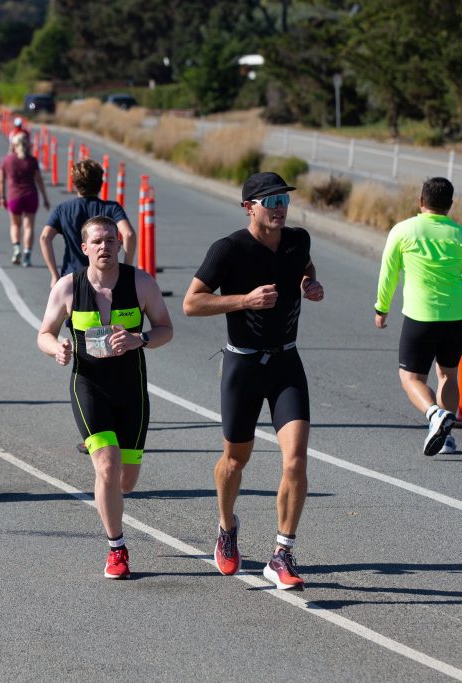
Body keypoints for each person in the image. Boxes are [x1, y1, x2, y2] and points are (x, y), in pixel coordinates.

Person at [182, 171, 324, 591]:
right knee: (234, 462)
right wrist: (245, 300)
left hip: (286, 363)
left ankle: (282, 552)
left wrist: (307, 282)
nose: (279, 207)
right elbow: (191, 303)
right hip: (243, 366)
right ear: (250, 207)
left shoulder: (299, 240)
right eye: (270, 200)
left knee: (296, 458)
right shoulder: (228, 249)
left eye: (283, 199)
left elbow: (304, 265)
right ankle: (227, 527)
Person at [37, 217, 174, 578]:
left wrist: (139, 339)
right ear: (84, 248)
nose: (104, 247)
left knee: (126, 480)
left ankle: (111, 497)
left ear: (119, 244)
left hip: (131, 388)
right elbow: (44, 333)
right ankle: (117, 549)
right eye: (96, 241)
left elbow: (165, 329)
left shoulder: (140, 283)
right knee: (107, 466)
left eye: (110, 240)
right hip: (89, 385)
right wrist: (57, 349)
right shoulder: (68, 288)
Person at [374, 177, 462, 455]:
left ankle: (435, 414)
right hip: (456, 318)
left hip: (420, 317)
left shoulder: (404, 230)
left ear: (421, 202)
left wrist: (381, 307)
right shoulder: (459, 235)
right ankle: (446, 439)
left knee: (410, 378)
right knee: (448, 374)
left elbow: (389, 273)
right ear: (450, 205)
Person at [40, 159, 135, 287]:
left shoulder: (63, 209)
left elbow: (45, 237)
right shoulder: (112, 208)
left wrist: (54, 274)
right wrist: (126, 269)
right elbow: (128, 234)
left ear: (75, 183)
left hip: (73, 277)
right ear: (101, 183)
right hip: (106, 279)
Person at [0, 132, 51, 267]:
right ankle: (27, 254)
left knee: (15, 225)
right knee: (29, 226)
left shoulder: (7, 160)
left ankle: (16, 248)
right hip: (30, 195)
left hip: (14, 196)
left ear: (13, 145)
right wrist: (45, 198)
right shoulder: (32, 160)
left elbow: (1, 180)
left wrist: (1, 196)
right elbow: (39, 180)